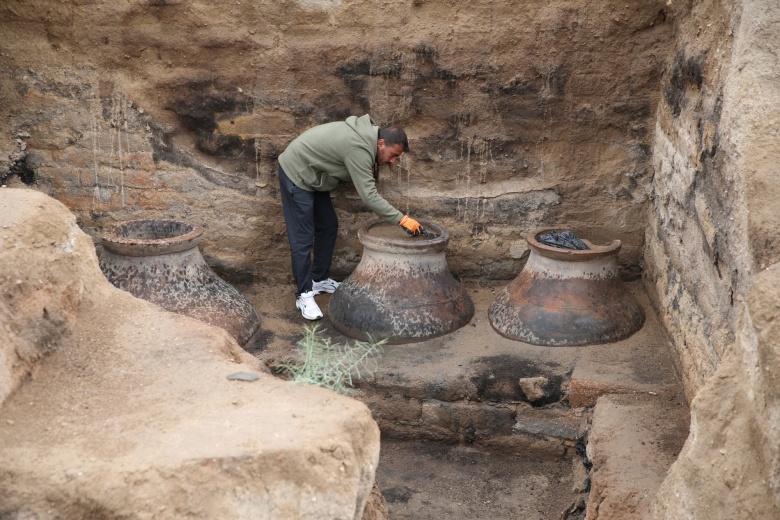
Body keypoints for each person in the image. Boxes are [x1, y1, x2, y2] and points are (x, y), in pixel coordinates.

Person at [277, 114, 426, 320]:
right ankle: (303, 294)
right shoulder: (359, 148)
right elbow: (369, 196)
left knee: (328, 225)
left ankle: (319, 279)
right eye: (393, 155)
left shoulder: (368, 140)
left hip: (315, 175)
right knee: (302, 237)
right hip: (297, 172)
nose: (392, 161)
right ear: (381, 143)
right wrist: (402, 219)